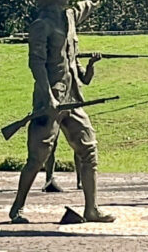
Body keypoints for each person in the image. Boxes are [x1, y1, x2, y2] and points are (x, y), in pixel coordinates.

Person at [8, 0, 114, 224]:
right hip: (50, 100)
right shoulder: (41, 25)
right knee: (37, 157)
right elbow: (36, 64)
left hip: (74, 98)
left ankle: (91, 208)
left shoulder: (69, 17)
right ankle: (17, 208)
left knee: (89, 149)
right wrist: (49, 97)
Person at [42, 54, 101, 193]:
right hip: (56, 105)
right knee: (50, 144)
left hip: (73, 105)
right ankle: (49, 179)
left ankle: (80, 180)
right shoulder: (52, 59)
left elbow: (85, 79)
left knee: (82, 143)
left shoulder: (74, 59)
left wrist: (91, 64)